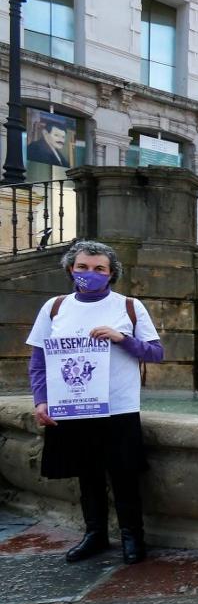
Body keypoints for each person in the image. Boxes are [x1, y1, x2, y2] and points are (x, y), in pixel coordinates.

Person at [25, 241, 164, 564]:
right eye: (83, 267)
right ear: (71, 270)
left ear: (111, 273)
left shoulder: (129, 306)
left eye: (99, 268)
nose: (91, 274)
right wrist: (41, 400)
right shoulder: (55, 307)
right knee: (86, 474)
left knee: (124, 474)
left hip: (118, 405)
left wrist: (122, 339)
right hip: (72, 405)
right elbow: (39, 360)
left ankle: (133, 537)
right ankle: (95, 535)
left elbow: (156, 353)